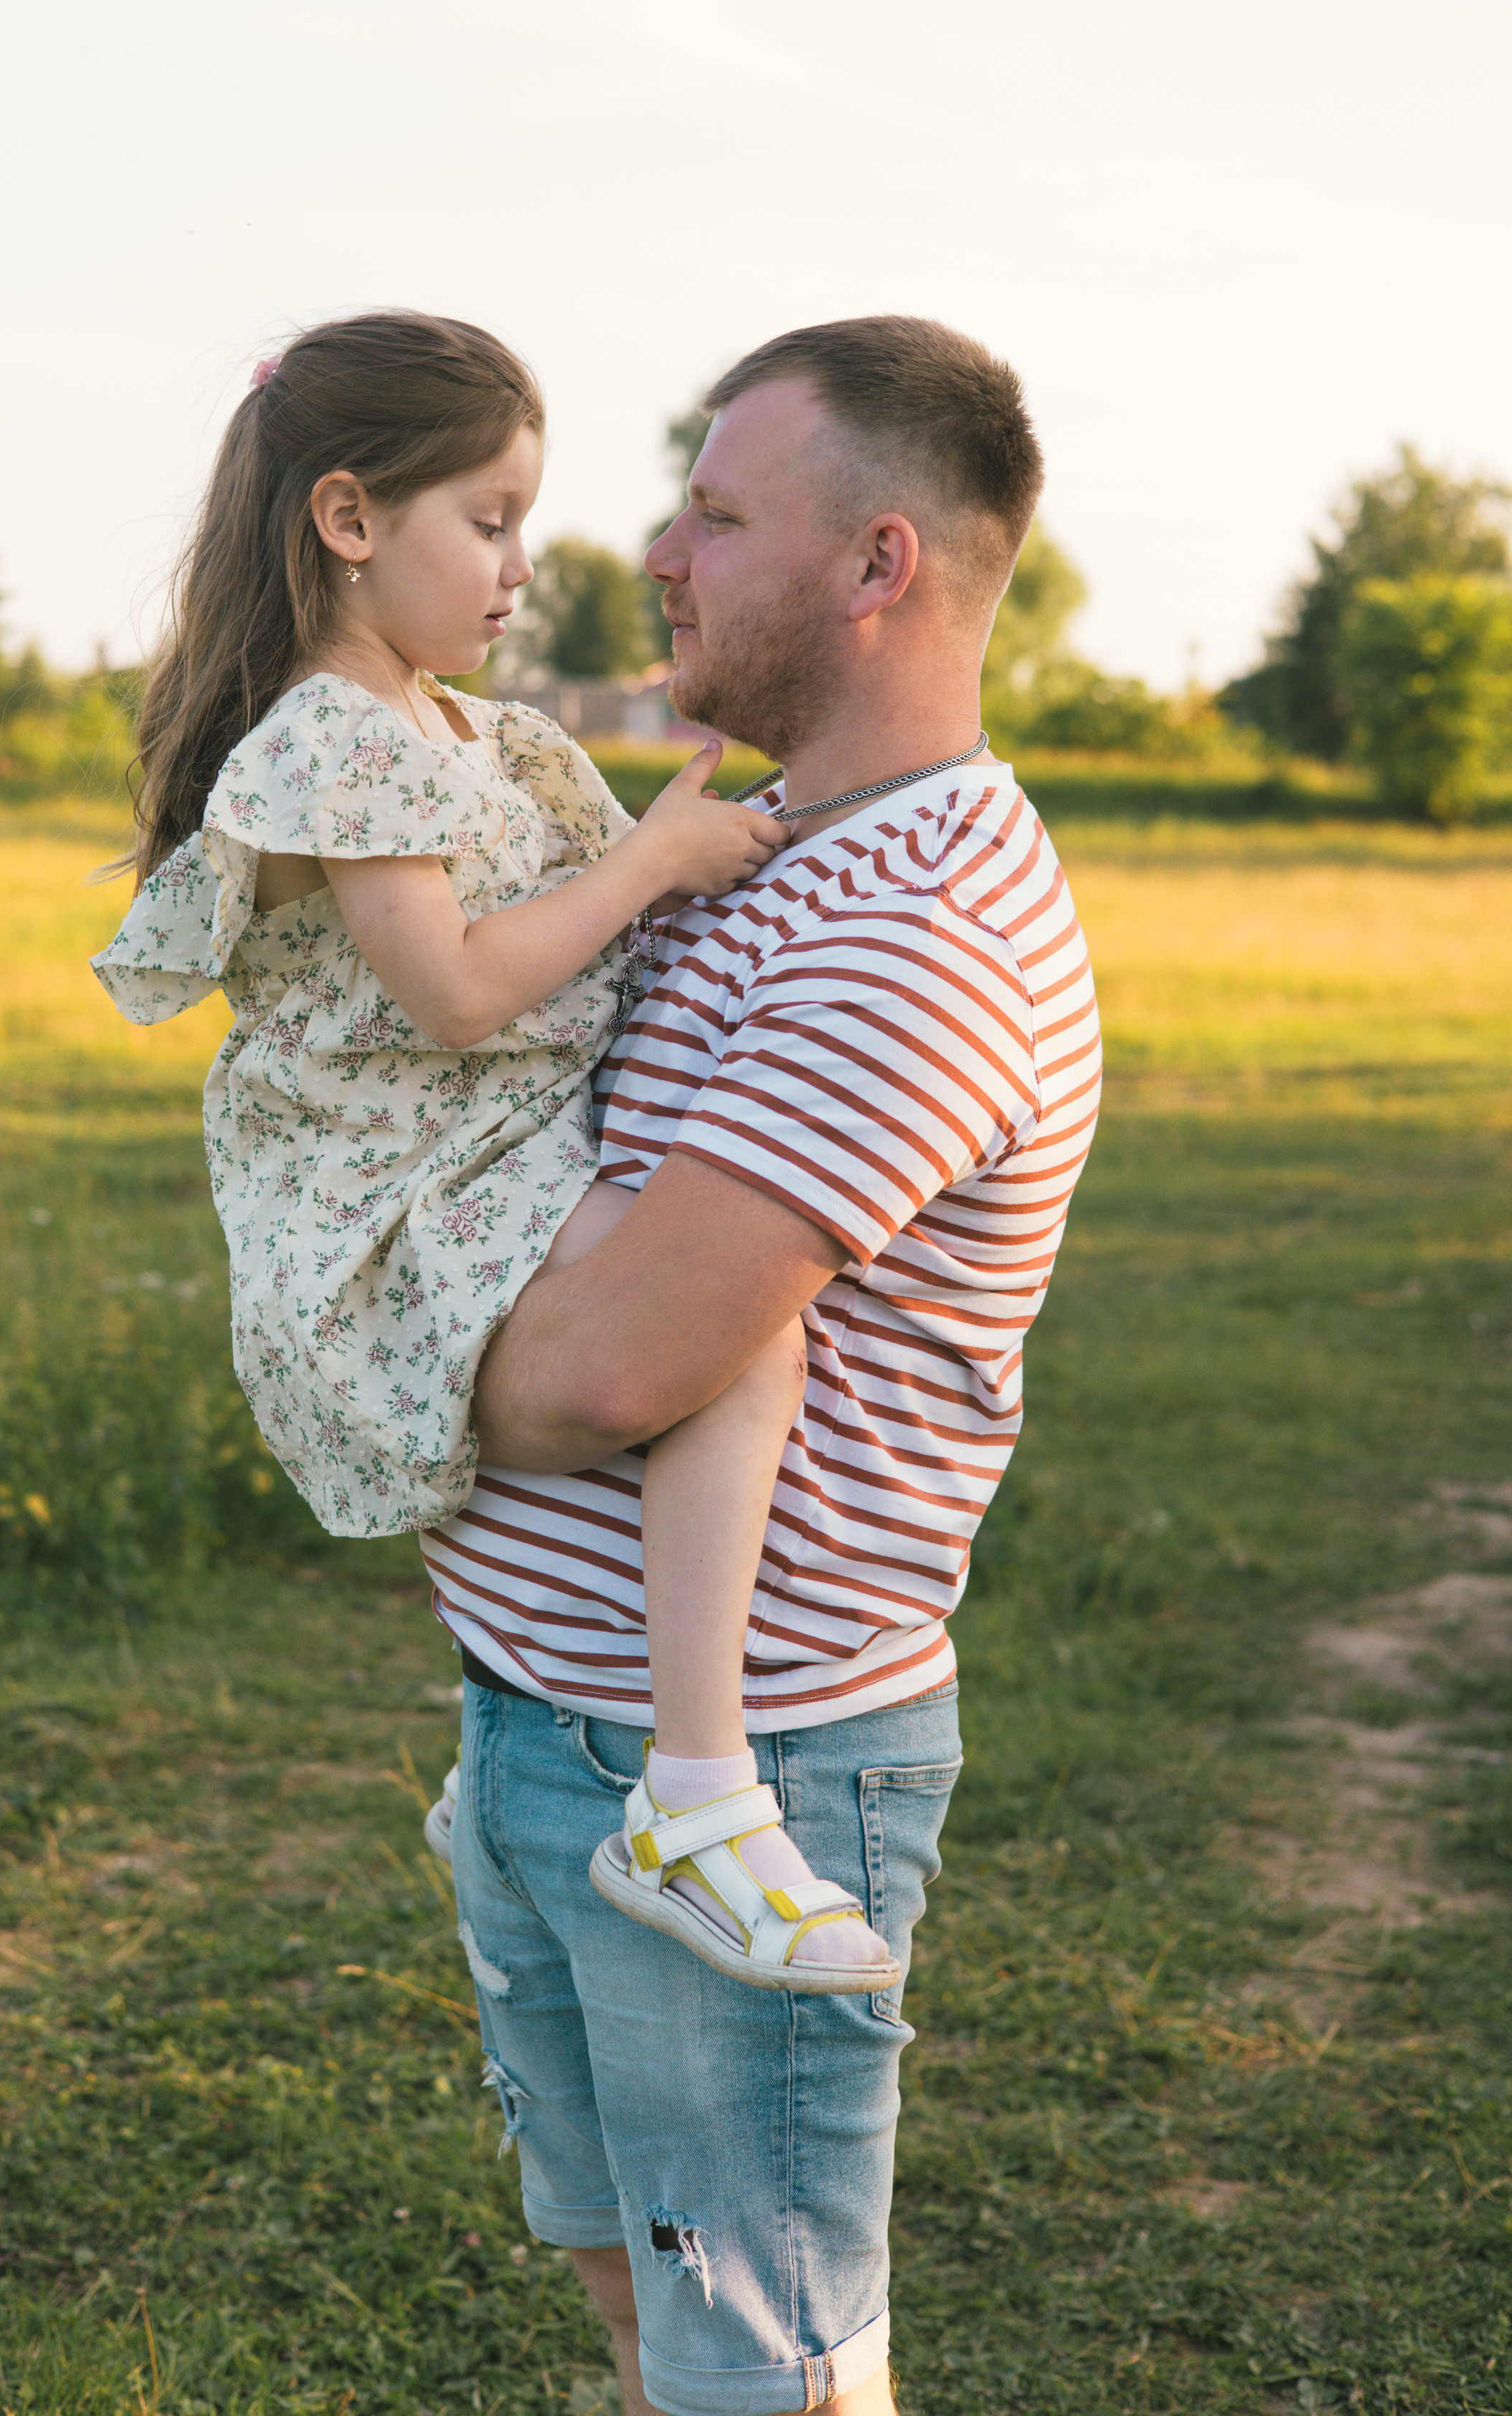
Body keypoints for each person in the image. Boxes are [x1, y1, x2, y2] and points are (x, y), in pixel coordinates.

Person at [421, 315, 1104, 2416]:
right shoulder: (757, 847)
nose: (658, 549)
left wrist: (362, 1359)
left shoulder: (918, 929)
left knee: (766, 2372)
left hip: (744, 1786)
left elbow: (615, 1371)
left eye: (718, 514)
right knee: (656, 2311)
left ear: (877, 565)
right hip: (550, 1742)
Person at [92, 308, 901, 2005]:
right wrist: (650, 861)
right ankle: (693, 1790)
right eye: (488, 519)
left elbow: (632, 910)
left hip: (492, 1148)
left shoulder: (458, 726)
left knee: (702, 1353)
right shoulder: (333, 736)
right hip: (409, 1191)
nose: (523, 566)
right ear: (346, 520)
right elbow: (457, 994)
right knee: (739, 1340)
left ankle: (517, 1780)